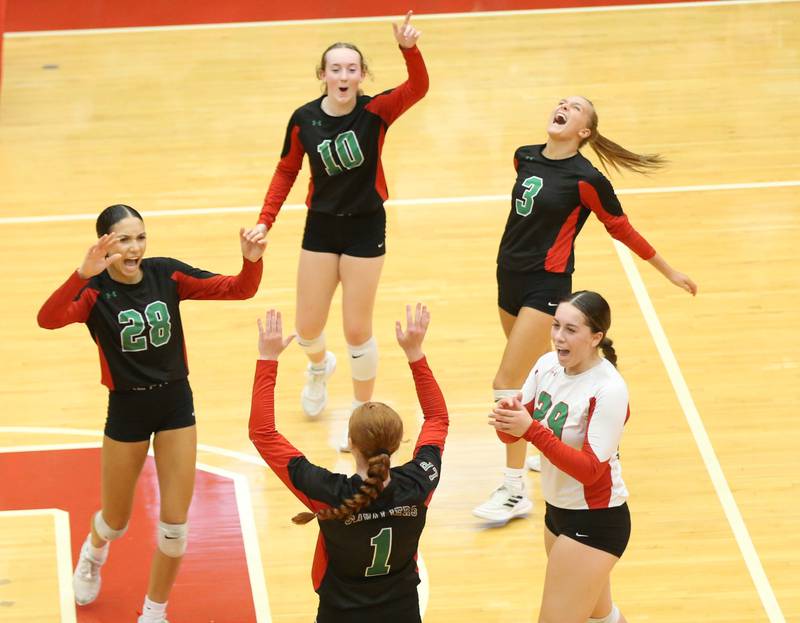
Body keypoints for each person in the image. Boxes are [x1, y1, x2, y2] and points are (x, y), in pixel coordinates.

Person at [473, 95, 698, 524]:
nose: (564, 106)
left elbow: (621, 227)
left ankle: (513, 488)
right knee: (537, 370)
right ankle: (547, 441)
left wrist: (667, 270)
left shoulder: (586, 179)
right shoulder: (524, 158)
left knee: (507, 382)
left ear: (585, 132)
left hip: (547, 284)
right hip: (508, 277)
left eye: (575, 108)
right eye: (563, 102)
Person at [37, 204, 266, 623]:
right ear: (105, 243)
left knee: (175, 529)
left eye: (140, 237)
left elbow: (238, 289)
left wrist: (251, 262)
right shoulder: (93, 292)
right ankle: (94, 551)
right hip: (126, 410)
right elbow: (47, 319)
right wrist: (81, 274)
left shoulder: (167, 274)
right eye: (124, 239)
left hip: (175, 403)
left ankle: (154, 612)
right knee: (117, 521)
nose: (135, 247)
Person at [242, 11, 429, 450]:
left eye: (352, 69)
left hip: (366, 227)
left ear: (362, 75)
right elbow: (286, 170)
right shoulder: (304, 118)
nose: (344, 75)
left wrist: (409, 48)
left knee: (357, 330)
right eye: (336, 68)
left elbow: (417, 88)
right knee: (307, 329)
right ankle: (318, 365)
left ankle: (361, 418)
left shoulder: (376, 110)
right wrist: (264, 222)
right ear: (323, 75)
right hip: (321, 227)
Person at [249, 303, 447, 623]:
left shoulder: (327, 491)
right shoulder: (418, 482)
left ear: (351, 444)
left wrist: (267, 358)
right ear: (398, 445)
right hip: (403, 612)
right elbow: (437, 418)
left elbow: (262, 433)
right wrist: (415, 353)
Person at [489, 291, 632, 623]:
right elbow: (511, 433)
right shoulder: (546, 366)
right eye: (556, 326)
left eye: (571, 329)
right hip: (558, 513)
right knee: (603, 617)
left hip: (595, 521)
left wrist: (530, 429)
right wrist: (507, 418)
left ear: (596, 337)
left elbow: (591, 471)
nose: (558, 337)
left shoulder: (609, 389)